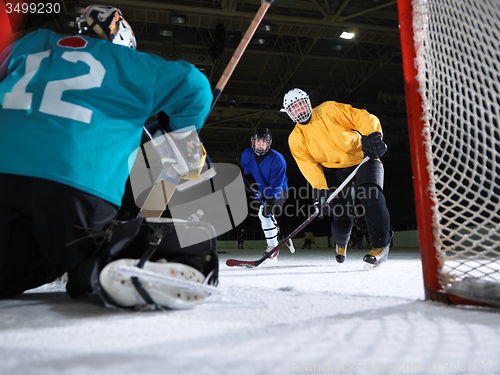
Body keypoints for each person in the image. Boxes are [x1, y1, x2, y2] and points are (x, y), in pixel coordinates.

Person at [0, 5, 219, 310]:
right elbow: (195, 85)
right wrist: (180, 135)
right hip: (75, 183)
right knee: (82, 254)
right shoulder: (129, 62)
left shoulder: (30, 43)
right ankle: (105, 264)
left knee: (15, 265)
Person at [283, 88, 391, 269]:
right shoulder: (295, 138)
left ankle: (380, 246)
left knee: (371, 196)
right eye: (293, 108)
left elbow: (361, 117)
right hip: (335, 171)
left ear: (308, 102)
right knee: (342, 214)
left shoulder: (328, 109)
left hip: (363, 158)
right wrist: (320, 191)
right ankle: (341, 242)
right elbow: (309, 166)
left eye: (301, 103)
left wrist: (373, 135)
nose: (299, 110)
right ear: (289, 114)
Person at [241, 128, 288, 262]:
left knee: (265, 212)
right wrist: (248, 181)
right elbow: (247, 171)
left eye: (264, 142)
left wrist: (271, 201)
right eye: (258, 141)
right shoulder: (246, 154)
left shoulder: (277, 159)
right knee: (264, 214)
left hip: (278, 190)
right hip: (261, 191)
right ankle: (273, 247)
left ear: (269, 143)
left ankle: (273, 248)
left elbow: (276, 184)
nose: (261, 144)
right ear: (253, 142)